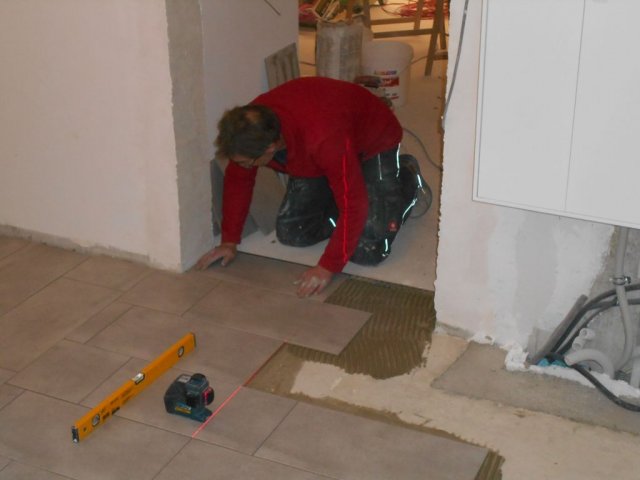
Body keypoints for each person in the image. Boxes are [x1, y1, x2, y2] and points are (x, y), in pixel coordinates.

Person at [196, 76, 425, 297]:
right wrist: (229, 241)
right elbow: (238, 181)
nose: (243, 166)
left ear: (270, 148)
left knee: (368, 250)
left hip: (373, 140)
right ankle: (345, 181)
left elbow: (354, 205)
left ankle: (407, 177)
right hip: (323, 149)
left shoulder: (323, 139)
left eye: (247, 163)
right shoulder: (248, 131)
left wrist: (327, 267)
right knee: (293, 233)